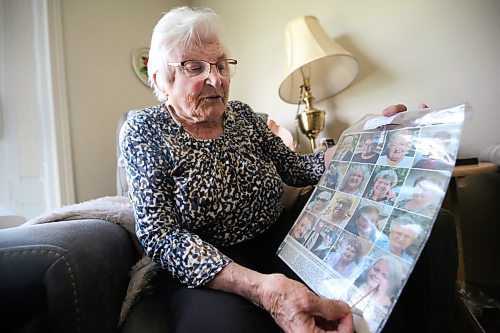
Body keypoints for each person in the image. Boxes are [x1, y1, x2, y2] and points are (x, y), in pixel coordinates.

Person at [120, 6, 410, 333]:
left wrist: (355, 140)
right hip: (210, 266)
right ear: (160, 78)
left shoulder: (244, 116)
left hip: (282, 241)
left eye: (220, 64)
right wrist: (262, 288)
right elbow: (160, 235)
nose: (215, 77)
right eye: (194, 67)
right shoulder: (144, 130)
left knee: (364, 289)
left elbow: (298, 169)